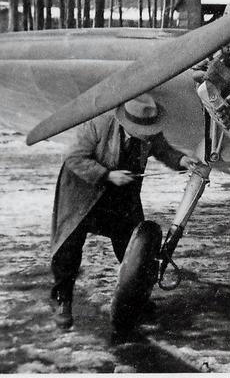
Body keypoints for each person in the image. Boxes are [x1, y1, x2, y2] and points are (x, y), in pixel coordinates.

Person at [49, 94, 198, 329]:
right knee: (68, 247)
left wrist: (181, 160)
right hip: (82, 191)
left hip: (120, 194)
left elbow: (162, 150)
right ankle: (63, 301)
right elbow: (73, 157)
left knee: (134, 244)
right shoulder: (99, 124)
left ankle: (137, 299)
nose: (146, 134)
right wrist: (106, 175)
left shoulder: (149, 128)